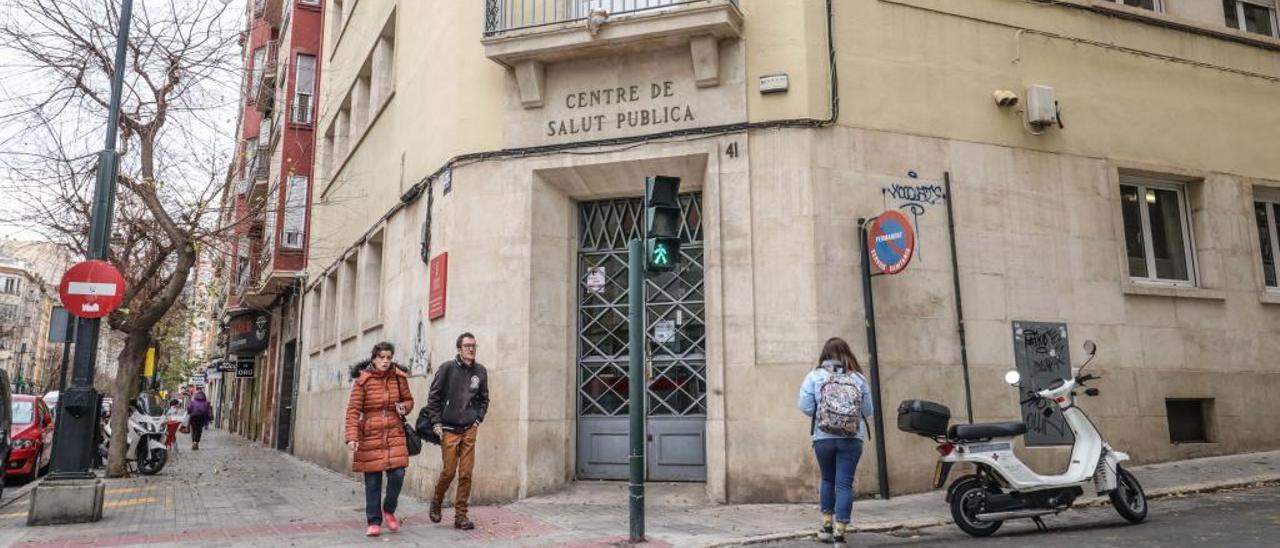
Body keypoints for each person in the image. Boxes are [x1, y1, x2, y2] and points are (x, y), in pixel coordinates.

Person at [797, 337, 874, 548]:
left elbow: (804, 406)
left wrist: (825, 416)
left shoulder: (814, 376)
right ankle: (840, 533)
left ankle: (826, 526)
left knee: (828, 479)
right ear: (848, 354)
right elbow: (867, 411)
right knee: (844, 484)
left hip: (823, 437)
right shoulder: (858, 378)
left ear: (824, 354)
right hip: (851, 438)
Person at [345, 342, 414, 537]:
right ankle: (374, 521)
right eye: (381, 357)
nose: (385, 361)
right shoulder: (363, 380)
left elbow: (409, 400)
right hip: (370, 434)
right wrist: (351, 436)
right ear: (374, 358)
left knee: (398, 474)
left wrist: (404, 407)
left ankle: (389, 509)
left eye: (388, 358)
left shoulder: (399, 378)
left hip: (394, 432)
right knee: (373, 481)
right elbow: (353, 411)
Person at [423, 332, 489, 530]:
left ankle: (461, 516)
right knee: (449, 471)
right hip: (449, 428)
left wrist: (477, 419)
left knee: (466, 474)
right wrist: (436, 423)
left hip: (469, 428)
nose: (471, 349)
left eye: (474, 346)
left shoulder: (480, 371)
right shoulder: (446, 369)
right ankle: (437, 499)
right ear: (459, 349)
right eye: (467, 345)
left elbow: (484, 399)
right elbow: (433, 398)